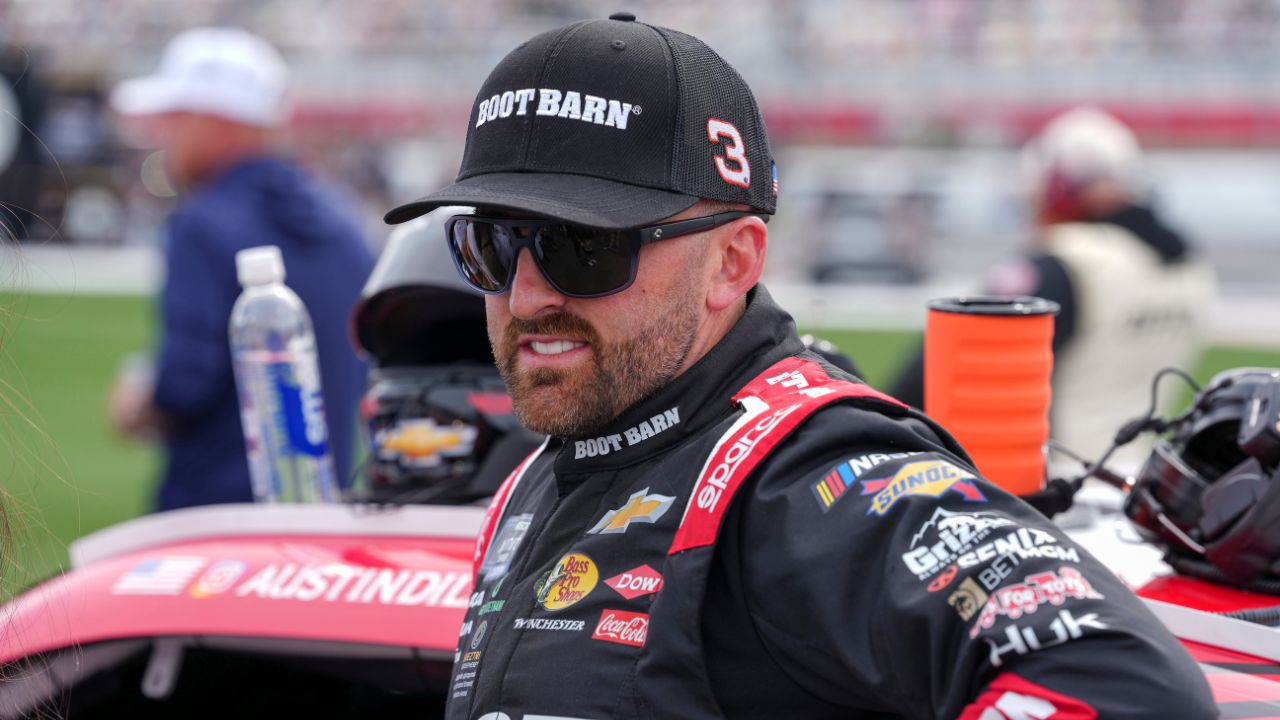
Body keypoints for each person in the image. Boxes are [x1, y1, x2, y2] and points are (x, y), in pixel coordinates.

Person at [385, 14, 1216, 719]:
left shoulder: (809, 481)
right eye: (491, 243)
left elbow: (1129, 689)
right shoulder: (548, 467)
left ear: (733, 262)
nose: (526, 296)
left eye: (584, 247)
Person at [106, 28, 374, 510]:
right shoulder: (344, 221)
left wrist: (136, 401)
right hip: (320, 516)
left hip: (212, 519)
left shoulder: (203, 222)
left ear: (215, 120)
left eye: (174, 118)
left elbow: (184, 384)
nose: (161, 135)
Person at [892, 107, 1217, 469]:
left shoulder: (1066, 260)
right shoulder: (1190, 267)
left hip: (1063, 482)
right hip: (1143, 476)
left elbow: (943, 363)